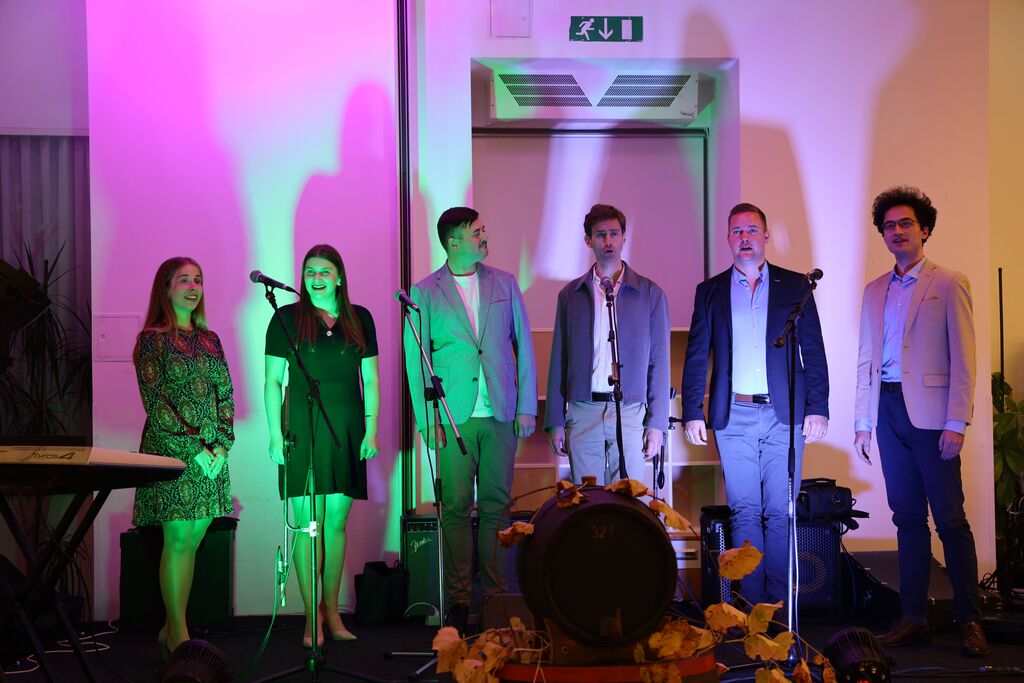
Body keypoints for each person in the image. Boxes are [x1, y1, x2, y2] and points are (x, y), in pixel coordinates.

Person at [854, 186, 989, 657]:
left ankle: (970, 619)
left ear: (925, 229)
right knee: (907, 519)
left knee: (950, 519)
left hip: (933, 418)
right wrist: (863, 421)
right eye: (889, 225)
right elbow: (866, 359)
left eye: (906, 223)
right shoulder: (874, 290)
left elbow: (965, 359)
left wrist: (957, 421)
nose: (897, 231)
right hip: (887, 411)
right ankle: (913, 617)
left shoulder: (949, 283)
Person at [680, 202, 829, 606]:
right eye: (737, 231)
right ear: (728, 239)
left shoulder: (796, 286)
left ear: (765, 236)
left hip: (785, 415)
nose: (744, 237)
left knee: (781, 511)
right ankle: (752, 609)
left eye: (751, 230)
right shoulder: (710, 291)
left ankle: (778, 610)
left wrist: (818, 407)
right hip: (734, 416)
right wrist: (693, 411)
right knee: (744, 511)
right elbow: (697, 355)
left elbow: (814, 350)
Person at [403, 207, 537, 633]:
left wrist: (527, 405)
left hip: (500, 414)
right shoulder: (424, 292)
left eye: (483, 229)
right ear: (453, 241)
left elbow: (524, 345)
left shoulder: (505, 283)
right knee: (457, 510)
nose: (485, 236)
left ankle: (496, 598)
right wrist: (426, 421)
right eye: (477, 232)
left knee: (498, 506)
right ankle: (460, 601)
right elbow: (415, 362)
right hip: (451, 418)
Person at [264, 244, 379, 648]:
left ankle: (332, 612)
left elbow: (370, 379)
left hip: (346, 428)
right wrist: (274, 435)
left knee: (335, 524)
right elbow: (272, 381)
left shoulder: (360, 317)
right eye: (310, 271)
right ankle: (311, 617)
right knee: (306, 526)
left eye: (324, 271)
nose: (316, 278)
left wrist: (371, 430)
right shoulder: (285, 318)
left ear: (339, 277)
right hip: (301, 427)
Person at [132, 256, 235, 656]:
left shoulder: (211, 339)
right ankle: (179, 633)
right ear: (166, 288)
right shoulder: (151, 340)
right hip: (173, 454)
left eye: (198, 280)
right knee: (176, 539)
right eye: (184, 280)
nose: (193, 287)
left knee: (192, 539)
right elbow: (155, 402)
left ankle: (171, 627)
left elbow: (225, 393)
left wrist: (222, 444)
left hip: (212, 456)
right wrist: (195, 450)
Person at [545, 203, 670, 484]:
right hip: (583, 409)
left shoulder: (650, 294)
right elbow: (559, 359)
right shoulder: (571, 295)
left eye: (614, 233)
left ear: (624, 237)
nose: (608, 241)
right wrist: (554, 420)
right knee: (587, 499)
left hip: (630, 411)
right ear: (588, 240)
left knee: (627, 497)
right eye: (600, 235)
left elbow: (659, 363)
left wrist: (657, 423)